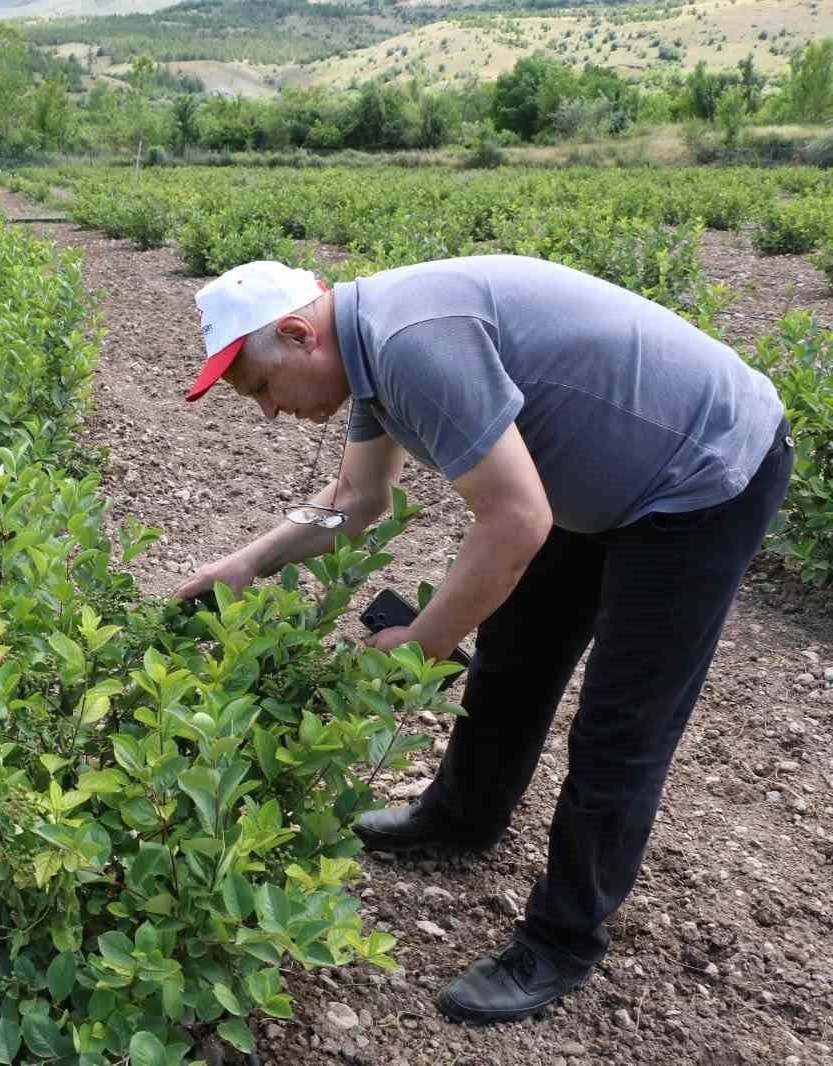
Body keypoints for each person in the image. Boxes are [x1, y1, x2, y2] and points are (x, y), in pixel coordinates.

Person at [176, 257, 790, 1026]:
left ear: (300, 335)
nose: (267, 412)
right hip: (593, 477)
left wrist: (420, 644)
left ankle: (562, 941)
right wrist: (245, 564)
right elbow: (359, 499)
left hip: (701, 473)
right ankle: (463, 815)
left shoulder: (412, 344)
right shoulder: (365, 351)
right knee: (513, 656)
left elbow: (516, 520)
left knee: (620, 728)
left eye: (261, 388)